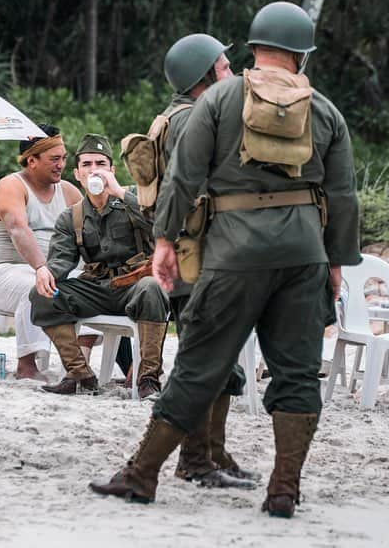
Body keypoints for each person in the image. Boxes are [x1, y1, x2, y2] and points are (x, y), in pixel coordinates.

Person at [90, 2, 361, 518]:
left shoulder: (219, 99)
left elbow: (182, 177)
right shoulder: (325, 111)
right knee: (298, 373)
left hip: (233, 253)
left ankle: (142, 475)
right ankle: (284, 489)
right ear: (302, 55)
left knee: (198, 364)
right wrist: (336, 262)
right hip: (304, 255)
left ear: (254, 48)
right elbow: (343, 196)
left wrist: (166, 241)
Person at [160, 34, 258, 489]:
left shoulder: (178, 116)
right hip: (197, 257)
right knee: (208, 362)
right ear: (203, 77)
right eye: (223, 68)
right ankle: (196, 460)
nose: (232, 74)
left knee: (219, 362)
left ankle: (212, 453)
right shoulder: (194, 118)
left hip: (194, 255)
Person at [31, 134, 170, 397]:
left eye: (100, 163)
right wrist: (46, 271)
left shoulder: (134, 199)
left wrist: (118, 191)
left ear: (111, 170)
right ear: (77, 174)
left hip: (135, 286)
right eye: (86, 165)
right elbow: (61, 259)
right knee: (43, 294)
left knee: (152, 287)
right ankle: (79, 374)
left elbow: (163, 222)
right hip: (97, 289)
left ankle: (148, 377)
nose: (94, 170)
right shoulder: (70, 216)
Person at [0, 124, 83, 381]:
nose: (61, 164)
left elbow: (89, 235)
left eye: (63, 158)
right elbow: (18, 228)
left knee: (93, 286)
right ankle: (26, 366)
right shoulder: (10, 186)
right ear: (32, 160)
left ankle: (79, 364)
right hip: (7, 272)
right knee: (38, 287)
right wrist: (41, 268)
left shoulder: (70, 192)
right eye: (54, 159)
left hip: (58, 271)